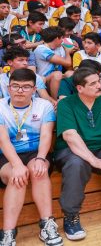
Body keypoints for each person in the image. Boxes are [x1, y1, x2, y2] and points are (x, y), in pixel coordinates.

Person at [54, 68, 101, 240]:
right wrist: (94, 160)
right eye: (93, 83)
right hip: (71, 151)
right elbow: (70, 136)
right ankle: (71, 216)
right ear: (80, 88)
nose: (99, 86)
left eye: (99, 81)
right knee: (76, 163)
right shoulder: (67, 104)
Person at [0, 69, 62, 246]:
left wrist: (42, 158)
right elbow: (3, 140)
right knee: (16, 176)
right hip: (7, 154)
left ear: (34, 89)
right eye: (16, 86)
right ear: (8, 87)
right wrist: (17, 165)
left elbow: (45, 136)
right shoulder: (0, 106)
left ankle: (47, 224)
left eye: (26, 87)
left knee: (38, 171)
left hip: (36, 152)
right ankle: (8, 233)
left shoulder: (44, 105)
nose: (20, 90)